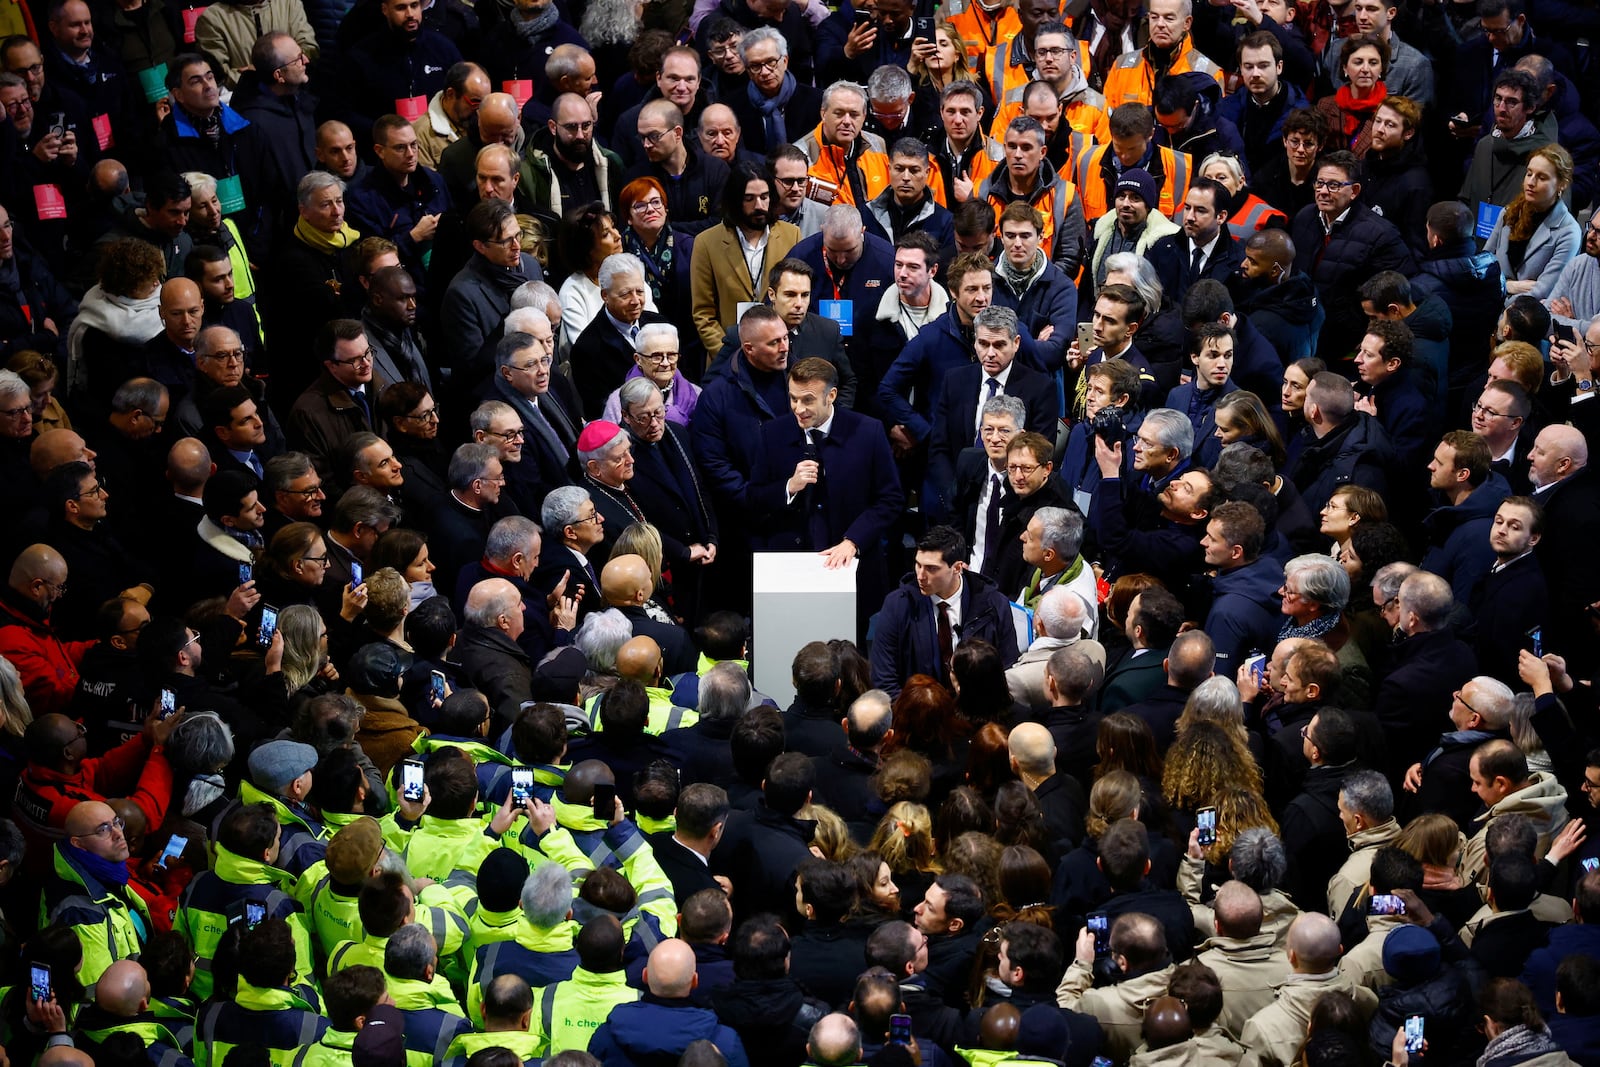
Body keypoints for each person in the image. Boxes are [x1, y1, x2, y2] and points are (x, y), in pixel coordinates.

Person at [1288, 150, 1415, 361]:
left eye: (1334, 185)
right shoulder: (1304, 218)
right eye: (1319, 183)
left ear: (1354, 190)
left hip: (1345, 343)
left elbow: (1394, 292)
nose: (1323, 191)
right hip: (1302, 331)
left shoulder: (1381, 235)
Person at [870, 525, 1019, 697]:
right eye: (918, 565)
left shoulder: (994, 604)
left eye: (931, 568)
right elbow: (883, 679)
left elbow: (1008, 669)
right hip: (918, 714)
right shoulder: (898, 605)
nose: (920, 575)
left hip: (979, 712)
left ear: (957, 568)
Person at [1486, 144, 1581, 306]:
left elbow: (1543, 291)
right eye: (1529, 173)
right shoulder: (1508, 212)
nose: (1530, 182)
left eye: (1542, 177)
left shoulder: (1568, 232)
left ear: (1561, 184)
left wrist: (1498, 297)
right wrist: (1507, 285)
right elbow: (1485, 262)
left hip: (1526, 317)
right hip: (1491, 303)